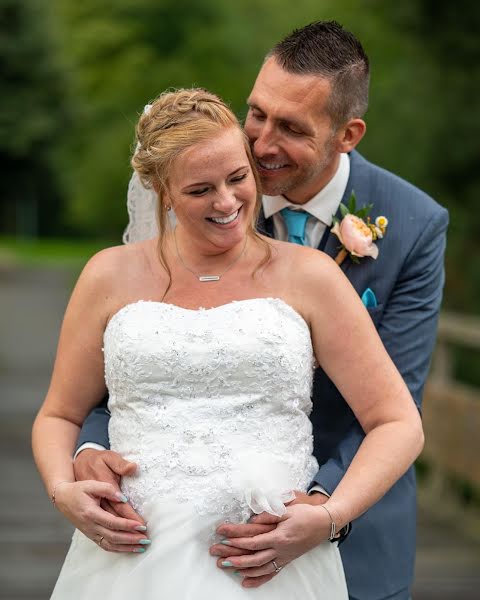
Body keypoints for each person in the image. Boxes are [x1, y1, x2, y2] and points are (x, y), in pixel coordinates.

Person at [73, 22, 449, 600]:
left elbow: (396, 405)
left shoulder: (416, 227)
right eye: (257, 113)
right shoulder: (200, 179)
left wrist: (321, 509)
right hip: (154, 536)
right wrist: (91, 451)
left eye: (292, 128)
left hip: (346, 531)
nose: (260, 143)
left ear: (347, 135)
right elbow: (130, 361)